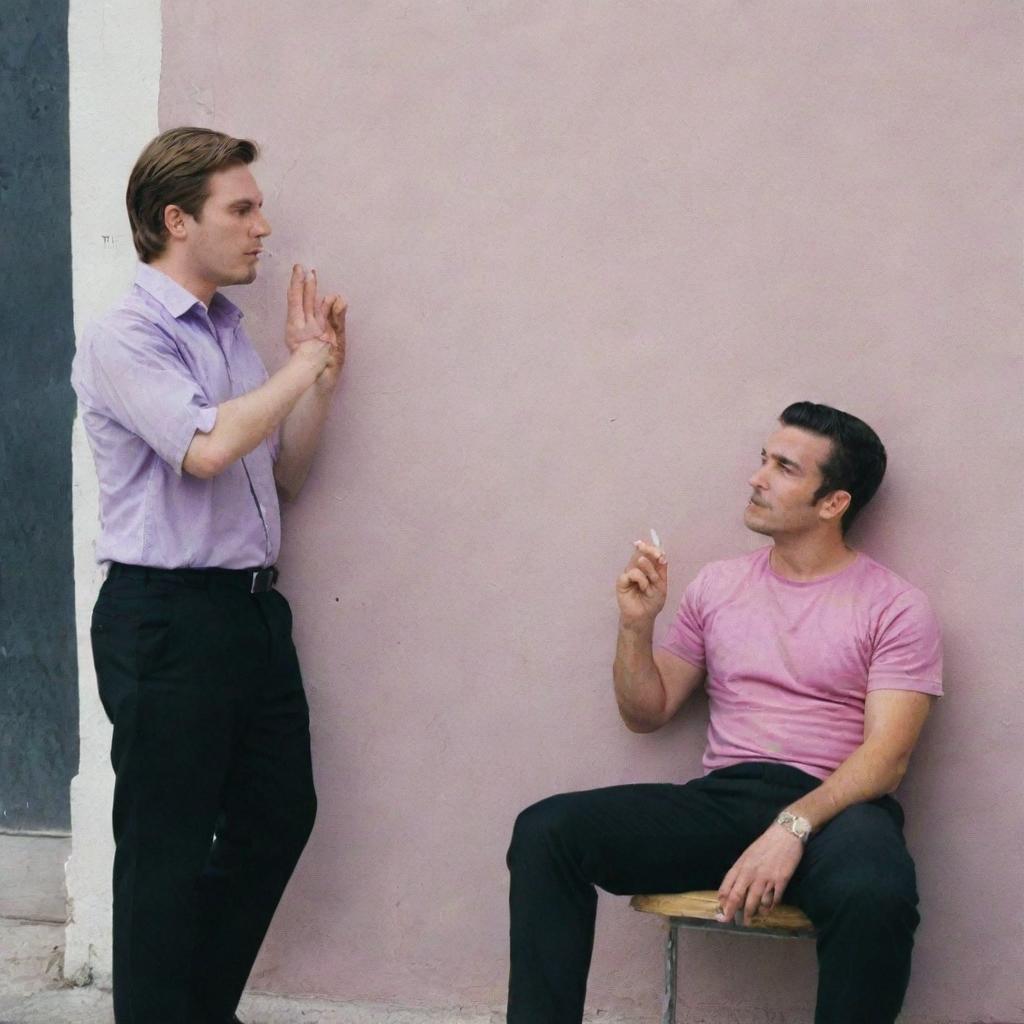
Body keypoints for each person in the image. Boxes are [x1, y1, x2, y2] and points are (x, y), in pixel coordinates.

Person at [506, 402, 943, 1024]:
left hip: (838, 809)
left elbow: (886, 758)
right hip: (725, 800)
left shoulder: (896, 606)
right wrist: (636, 627)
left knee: (876, 893)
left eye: (784, 467)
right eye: (763, 459)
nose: (757, 478)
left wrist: (791, 829)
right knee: (547, 830)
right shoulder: (717, 586)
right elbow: (647, 711)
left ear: (832, 503)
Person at [71, 126, 347, 1024]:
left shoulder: (229, 334)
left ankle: (193, 1009)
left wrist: (320, 385)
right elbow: (206, 448)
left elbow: (282, 477)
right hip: (166, 618)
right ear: (175, 220)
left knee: (280, 814)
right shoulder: (124, 334)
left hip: (252, 615)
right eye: (243, 208)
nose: (263, 226)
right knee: (165, 850)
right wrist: (297, 363)